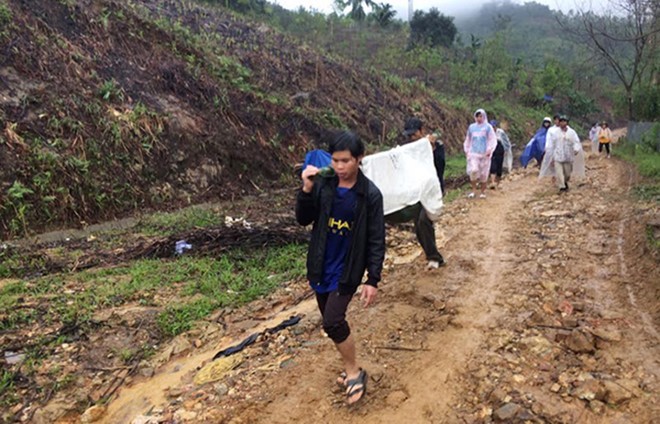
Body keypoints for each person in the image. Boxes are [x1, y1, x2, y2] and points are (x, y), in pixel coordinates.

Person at [295, 130, 385, 406]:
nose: (340, 167)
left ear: (359, 159)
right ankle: (351, 367)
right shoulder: (324, 184)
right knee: (332, 325)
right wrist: (307, 190)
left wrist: (373, 279)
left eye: (346, 161)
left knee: (333, 320)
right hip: (321, 264)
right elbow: (303, 219)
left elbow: (376, 238)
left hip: (347, 269)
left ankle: (354, 372)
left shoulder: (369, 194)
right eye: (335, 161)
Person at [402, 117, 446, 269]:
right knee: (419, 224)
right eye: (408, 136)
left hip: (432, 190)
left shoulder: (436, 146)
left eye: (413, 135)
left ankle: (434, 257)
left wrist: (431, 149)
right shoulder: (407, 149)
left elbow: (440, 166)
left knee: (423, 220)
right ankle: (431, 254)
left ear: (421, 132)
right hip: (415, 192)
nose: (411, 138)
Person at [541, 115, 583, 192]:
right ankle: (562, 186)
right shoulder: (555, 133)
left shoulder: (572, 132)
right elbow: (551, 145)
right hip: (558, 156)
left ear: (567, 122)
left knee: (567, 174)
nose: (562, 123)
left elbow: (576, 142)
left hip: (568, 156)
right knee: (559, 172)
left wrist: (576, 149)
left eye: (564, 121)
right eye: (561, 121)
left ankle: (565, 181)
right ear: (559, 123)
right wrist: (550, 156)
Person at [464, 109, 497, 199]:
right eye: (477, 116)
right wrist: (467, 150)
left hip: (484, 154)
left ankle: (482, 192)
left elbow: (492, 139)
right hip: (473, 153)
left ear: (484, 116)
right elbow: (468, 139)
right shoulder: (471, 127)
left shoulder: (488, 127)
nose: (479, 118)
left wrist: (490, 150)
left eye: (481, 116)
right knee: (473, 171)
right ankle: (474, 190)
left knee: (484, 173)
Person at [488, 120, 507, 189]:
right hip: (492, 150)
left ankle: (498, 183)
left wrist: (506, 150)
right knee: (492, 166)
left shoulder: (500, 132)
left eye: (493, 127)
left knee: (499, 167)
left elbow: (505, 142)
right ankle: (493, 182)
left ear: (496, 127)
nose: (492, 128)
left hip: (500, 149)